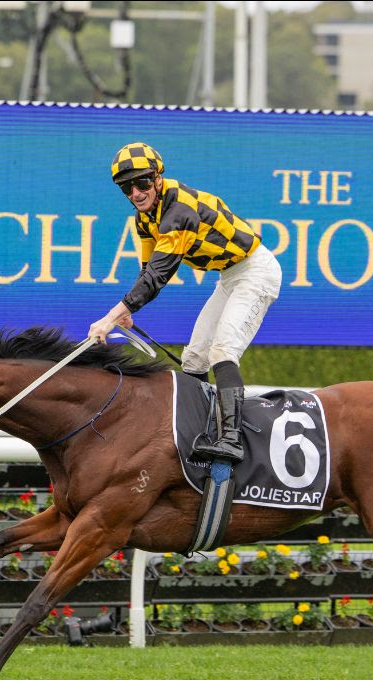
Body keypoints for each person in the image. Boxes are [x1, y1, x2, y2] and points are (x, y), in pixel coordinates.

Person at [88, 142, 282, 463]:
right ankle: (197, 432)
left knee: (223, 351)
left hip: (256, 271)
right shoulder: (144, 219)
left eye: (142, 183)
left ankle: (231, 440)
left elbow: (158, 276)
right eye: (126, 187)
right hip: (230, 276)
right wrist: (127, 312)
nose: (135, 193)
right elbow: (147, 271)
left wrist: (111, 317)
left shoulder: (179, 211)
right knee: (193, 359)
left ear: (158, 178)